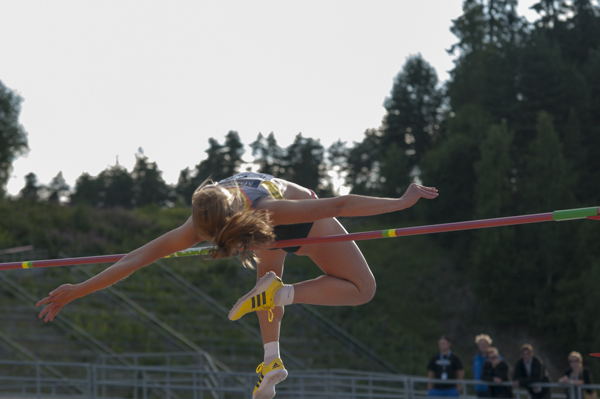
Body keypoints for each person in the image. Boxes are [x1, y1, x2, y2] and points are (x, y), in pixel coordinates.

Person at [36, 171, 439, 399]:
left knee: (344, 285)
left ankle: (274, 329)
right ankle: (271, 355)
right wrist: (79, 288)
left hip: (290, 218)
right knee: (357, 289)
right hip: (280, 222)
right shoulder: (202, 220)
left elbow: (338, 204)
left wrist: (400, 203)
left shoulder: (243, 214)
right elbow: (133, 258)